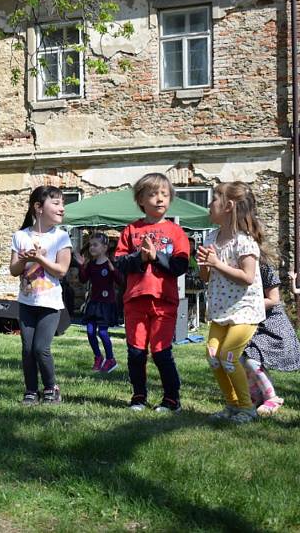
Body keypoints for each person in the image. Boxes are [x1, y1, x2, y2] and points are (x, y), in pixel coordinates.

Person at [115, 173, 189, 413]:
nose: (160, 199)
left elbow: (180, 266)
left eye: (165, 195)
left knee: (160, 352)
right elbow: (119, 263)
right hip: (135, 301)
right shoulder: (131, 229)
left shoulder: (176, 232)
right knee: (136, 352)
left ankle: (171, 399)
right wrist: (141, 257)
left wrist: (156, 257)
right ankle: (138, 396)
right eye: (153, 194)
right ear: (141, 200)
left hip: (164, 302)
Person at [197, 182, 266, 424]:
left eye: (213, 199)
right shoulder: (211, 237)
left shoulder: (245, 241)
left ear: (228, 206)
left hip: (245, 311)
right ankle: (232, 405)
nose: (209, 204)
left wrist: (217, 263)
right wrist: (204, 266)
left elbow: (247, 278)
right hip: (221, 309)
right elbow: (206, 278)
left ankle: (247, 409)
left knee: (228, 356)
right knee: (213, 354)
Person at [10, 186, 72, 405]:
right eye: (56, 203)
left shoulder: (61, 237)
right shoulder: (20, 236)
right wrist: (25, 259)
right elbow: (14, 270)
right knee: (27, 349)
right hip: (26, 302)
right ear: (38, 207)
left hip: (50, 303)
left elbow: (62, 270)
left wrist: (39, 259)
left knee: (40, 348)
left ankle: (50, 387)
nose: (61, 208)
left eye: (62, 203)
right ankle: (30, 390)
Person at [242, 263, 300, 416]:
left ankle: (272, 397)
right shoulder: (235, 267)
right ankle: (257, 396)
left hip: (273, 326)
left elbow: (274, 299)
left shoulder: (263, 268)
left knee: (251, 359)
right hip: (253, 323)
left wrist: (244, 306)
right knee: (241, 358)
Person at [75, 232, 123, 373]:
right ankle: (98, 357)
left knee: (102, 333)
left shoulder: (110, 264)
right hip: (94, 303)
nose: (92, 248)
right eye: (90, 245)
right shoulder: (91, 264)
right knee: (90, 332)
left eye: (95, 245)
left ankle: (110, 359)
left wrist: (113, 270)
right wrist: (81, 266)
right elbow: (83, 279)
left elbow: (120, 281)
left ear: (104, 248)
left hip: (106, 304)